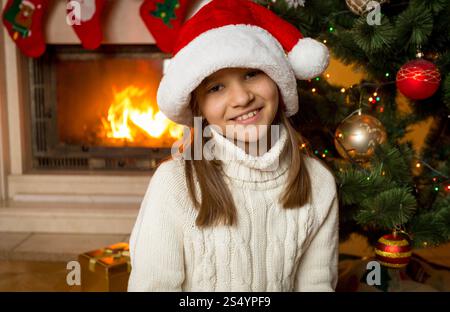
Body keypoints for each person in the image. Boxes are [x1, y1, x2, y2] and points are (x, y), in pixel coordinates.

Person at [128, 0, 338, 291]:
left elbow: (316, 284)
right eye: (216, 87)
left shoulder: (318, 182)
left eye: (251, 74)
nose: (241, 98)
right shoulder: (174, 184)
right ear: (199, 107)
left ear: (278, 80)